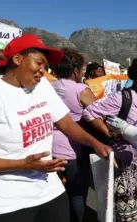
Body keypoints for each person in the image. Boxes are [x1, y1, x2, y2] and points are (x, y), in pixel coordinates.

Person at [0, 34, 112, 222]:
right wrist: (22, 164)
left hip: (50, 192)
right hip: (8, 203)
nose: (42, 70)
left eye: (45, 66)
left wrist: (96, 144)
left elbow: (66, 123)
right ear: (17, 59)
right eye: (38, 63)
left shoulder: (43, 87)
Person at [83, 54, 137, 222]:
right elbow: (90, 112)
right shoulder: (121, 98)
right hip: (126, 171)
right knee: (129, 216)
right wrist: (107, 132)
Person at [50, 48, 97, 222]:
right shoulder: (81, 89)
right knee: (77, 194)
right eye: (82, 70)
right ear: (76, 70)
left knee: (55, 194)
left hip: (49, 148)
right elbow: (98, 115)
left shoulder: (48, 87)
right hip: (73, 150)